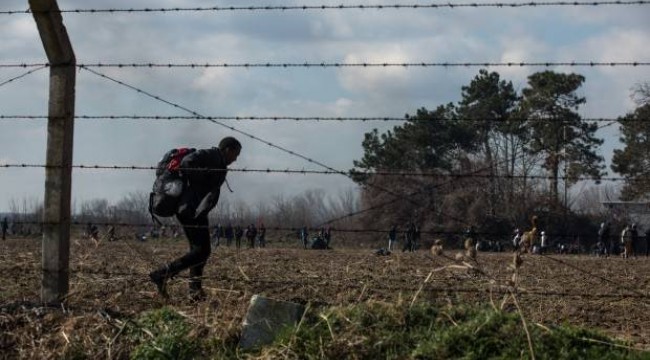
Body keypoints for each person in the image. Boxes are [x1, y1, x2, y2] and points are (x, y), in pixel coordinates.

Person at [149, 136, 241, 301]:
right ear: (228, 149)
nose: (236, 159)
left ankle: (195, 292)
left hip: (195, 210)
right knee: (202, 251)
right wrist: (202, 183)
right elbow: (187, 162)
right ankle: (162, 274)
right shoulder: (212, 155)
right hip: (190, 209)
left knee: (199, 252)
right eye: (236, 154)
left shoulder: (217, 161)